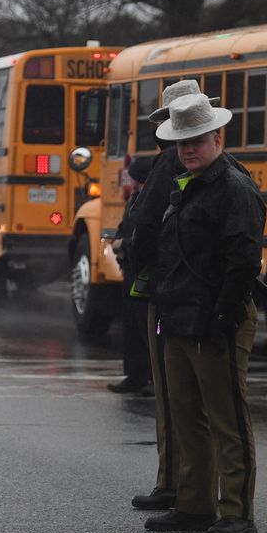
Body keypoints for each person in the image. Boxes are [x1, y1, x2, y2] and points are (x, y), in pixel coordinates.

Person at [142, 93, 266, 533]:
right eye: (182, 142)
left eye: (196, 140)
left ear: (217, 137)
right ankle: (194, 505)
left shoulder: (234, 187)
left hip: (216, 319)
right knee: (187, 415)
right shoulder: (188, 182)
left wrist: (223, 315)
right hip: (181, 316)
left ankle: (237, 511)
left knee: (227, 418)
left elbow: (244, 259)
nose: (188, 149)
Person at [124, 80, 229, 513]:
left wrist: (136, 261)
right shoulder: (207, 167)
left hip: (169, 290)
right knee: (189, 401)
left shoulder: (170, 163)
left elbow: (146, 227)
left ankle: (175, 483)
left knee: (174, 398)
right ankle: (188, 487)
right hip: (188, 290)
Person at [109, 154, 156, 395]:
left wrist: (123, 244)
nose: (134, 183)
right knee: (132, 325)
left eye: (137, 178)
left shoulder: (154, 200)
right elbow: (125, 224)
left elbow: (147, 236)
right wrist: (119, 239)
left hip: (146, 272)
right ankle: (135, 375)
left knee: (147, 325)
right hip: (131, 269)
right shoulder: (136, 198)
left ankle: (155, 378)